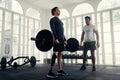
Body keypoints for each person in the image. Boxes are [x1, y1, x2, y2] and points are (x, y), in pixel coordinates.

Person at [46, 7, 67, 78]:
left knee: (60, 55)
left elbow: (62, 31)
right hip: (57, 39)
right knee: (55, 54)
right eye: (58, 10)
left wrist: (65, 39)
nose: (59, 11)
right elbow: (53, 29)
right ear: (54, 11)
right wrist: (56, 38)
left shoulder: (60, 21)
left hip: (61, 40)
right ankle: (50, 71)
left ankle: (60, 70)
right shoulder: (52, 19)